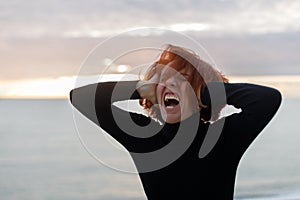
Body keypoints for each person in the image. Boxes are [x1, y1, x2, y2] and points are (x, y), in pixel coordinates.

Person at [70, 44, 282, 199]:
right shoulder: (145, 137)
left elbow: (267, 99)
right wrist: (140, 88)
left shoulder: (221, 137)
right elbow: (81, 97)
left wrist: (205, 91)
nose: (169, 82)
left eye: (182, 78)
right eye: (161, 78)